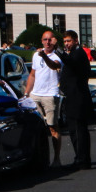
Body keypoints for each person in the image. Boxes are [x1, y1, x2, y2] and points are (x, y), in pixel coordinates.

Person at [23, 30, 64, 166]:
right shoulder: (36, 56)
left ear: (54, 41)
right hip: (35, 94)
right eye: (45, 40)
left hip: (50, 94)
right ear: (41, 41)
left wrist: (44, 57)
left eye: (50, 40)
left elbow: (54, 66)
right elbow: (33, 75)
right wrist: (26, 93)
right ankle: (36, 158)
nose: (47, 42)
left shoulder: (56, 55)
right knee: (35, 127)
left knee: (53, 127)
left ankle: (56, 158)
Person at [58, 30, 93, 168]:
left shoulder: (78, 53)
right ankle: (81, 157)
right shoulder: (73, 53)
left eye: (69, 41)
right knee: (75, 129)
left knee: (78, 130)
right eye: (65, 41)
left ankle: (82, 158)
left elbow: (70, 62)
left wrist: (57, 50)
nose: (66, 44)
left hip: (77, 98)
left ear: (76, 41)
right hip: (72, 97)